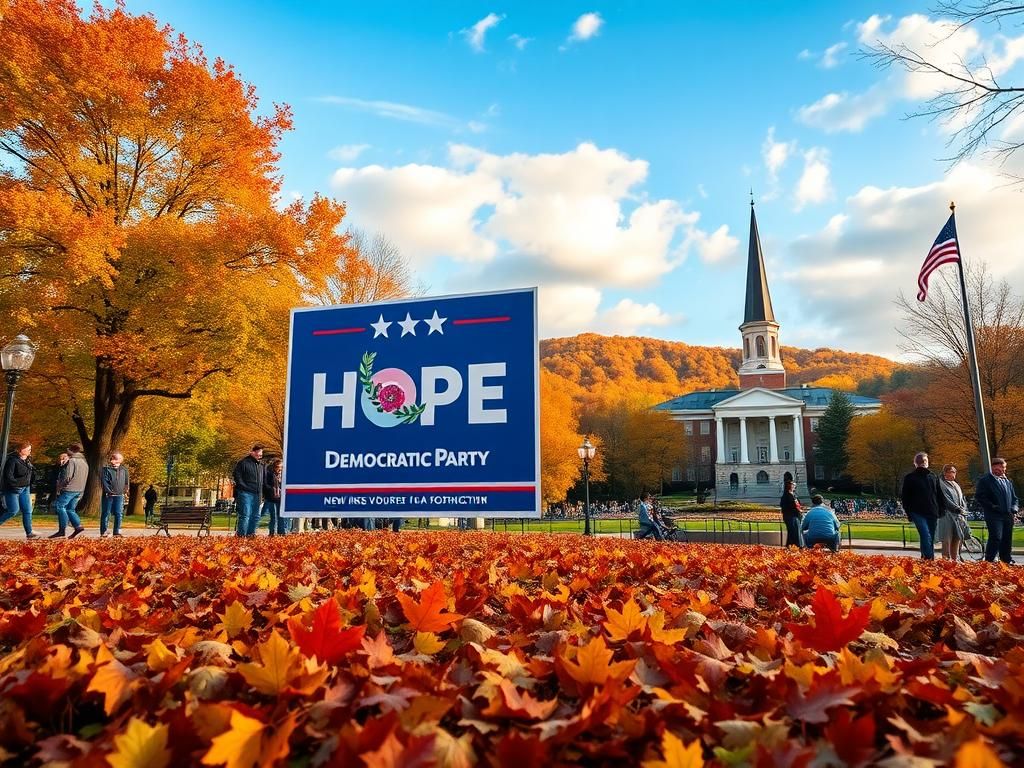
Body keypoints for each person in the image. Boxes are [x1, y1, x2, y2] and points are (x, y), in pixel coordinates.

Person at [974, 457, 1020, 565]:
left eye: (1004, 468)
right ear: (994, 467)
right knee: (996, 537)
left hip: (1008, 514)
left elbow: (1014, 498)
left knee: (1007, 538)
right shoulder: (985, 480)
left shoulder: (1007, 481)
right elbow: (980, 497)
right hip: (993, 515)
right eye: (1002, 467)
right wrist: (992, 506)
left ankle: (1006, 560)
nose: (1004, 470)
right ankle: (989, 561)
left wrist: (1014, 508)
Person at [900, 452, 943, 560]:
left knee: (929, 537)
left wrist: (941, 509)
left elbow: (939, 494)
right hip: (918, 512)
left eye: (924, 461)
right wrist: (909, 512)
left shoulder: (933, 476)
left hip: (931, 511)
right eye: (921, 461)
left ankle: (926, 558)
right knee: (926, 535)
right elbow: (905, 497)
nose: (923, 463)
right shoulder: (910, 478)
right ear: (916, 463)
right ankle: (929, 559)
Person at [0, 442, 37, 539]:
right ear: (21, 450)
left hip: (25, 488)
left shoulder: (28, 460)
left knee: (27, 510)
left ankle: (29, 532)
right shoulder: (13, 460)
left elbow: (30, 474)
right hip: (13, 489)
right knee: (13, 511)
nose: (30, 451)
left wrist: (31, 483)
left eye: (30, 449)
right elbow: (8, 476)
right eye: (28, 449)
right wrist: (15, 485)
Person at [51, 443, 87, 538]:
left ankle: (62, 530)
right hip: (80, 489)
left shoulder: (72, 461)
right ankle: (78, 526)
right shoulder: (84, 462)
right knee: (70, 509)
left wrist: (61, 486)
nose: (67, 451)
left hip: (70, 488)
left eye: (68, 449)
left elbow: (68, 477)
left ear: (71, 450)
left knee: (60, 506)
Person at [232, 444, 265, 537]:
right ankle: (241, 535)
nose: (260, 455)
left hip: (258, 494)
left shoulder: (261, 465)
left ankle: (251, 534)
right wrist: (244, 487)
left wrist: (262, 493)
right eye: (258, 453)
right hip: (245, 493)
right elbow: (237, 476)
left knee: (255, 515)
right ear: (252, 452)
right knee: (245, 515)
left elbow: (263, 480)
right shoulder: (243, 463)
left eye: (261, 453)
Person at [937, 464, 968, 561]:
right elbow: (945, 499)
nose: (954, 474)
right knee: (947, 538)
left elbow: (962, 498)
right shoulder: (941, 484)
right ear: (945, 473)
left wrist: (963, 508)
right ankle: (946, 560)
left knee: (957, 537)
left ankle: (955, 559)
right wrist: (957, 509)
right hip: (946, 514)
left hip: (957, 515)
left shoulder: (956, 484)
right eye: (952, 472)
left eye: (955, 472)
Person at [100, 451, 129, 538]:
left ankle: (117, 532)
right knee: (106, 513)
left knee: (118, 514)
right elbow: (104, 482)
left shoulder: (124, 470)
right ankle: (104, 532)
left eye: (118, 458)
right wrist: (109, 491)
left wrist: (125, 491)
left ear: (121, 460)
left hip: (119, 495)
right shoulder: (106, 469)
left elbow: (126, 482)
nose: (115, 460)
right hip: (108, 495)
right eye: (114, 458)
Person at [263, 458, 286, 536]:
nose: (279, 469)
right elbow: (265, 485)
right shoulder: (269, 474)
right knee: (273, 516)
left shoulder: (283, 475)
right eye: (277, 467)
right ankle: (272, 533)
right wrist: (272, 489)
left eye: (281, 467)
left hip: (281, 498)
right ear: (274, 467)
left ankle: (281, 533)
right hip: (271, 498)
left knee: (281, 516)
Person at [780, 480, 803, 548]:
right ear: (790, 486)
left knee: (794, 531)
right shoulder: (787, 496)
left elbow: (797, 505)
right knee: (794, 531)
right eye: (793, 485)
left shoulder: (793, 495)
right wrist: (798, 510)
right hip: (791, 516)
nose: (794, 486)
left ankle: (791, 545)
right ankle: (797, 545)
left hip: (794, 515)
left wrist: (799, 510)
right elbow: (790, 506)